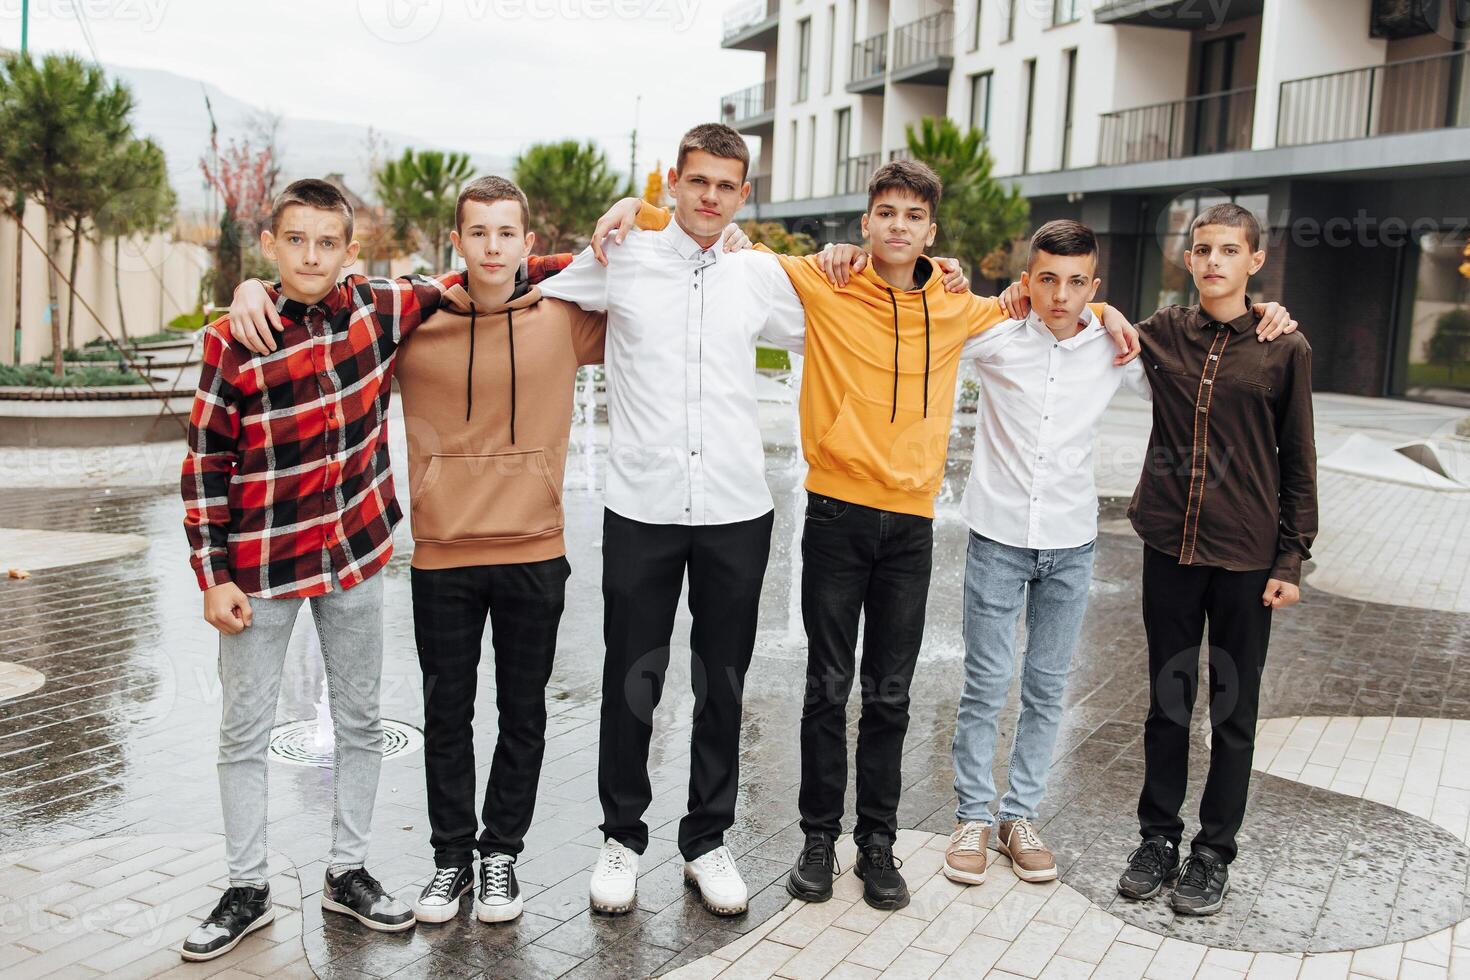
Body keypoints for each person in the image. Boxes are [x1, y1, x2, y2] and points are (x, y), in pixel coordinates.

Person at [600, 160, 1134, 912]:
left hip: (911, 527)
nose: (897, 227)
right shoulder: (827, 282)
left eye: (912, 217)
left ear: (930, 232)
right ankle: (818, 840)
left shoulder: (959, 306)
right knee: (827, 687)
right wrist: (641, 209)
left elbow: (1047, 306)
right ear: (866, 223)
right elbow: (722, 241)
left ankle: (875, 844)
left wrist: (1107, 314)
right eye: (885, 213)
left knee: (891, 693)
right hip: (837, 517)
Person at [222, 179, 749, 926]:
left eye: (508, 233)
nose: (494, 247)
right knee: (447, 715)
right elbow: (323, 297)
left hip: (536, 548)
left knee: (523, 713)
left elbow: (652, 289)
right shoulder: (411, 321)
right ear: (458, 243)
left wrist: (671, 221)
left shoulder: (565, 315)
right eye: (479, 233)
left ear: (528, 245)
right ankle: (449, 862)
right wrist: (251, 287)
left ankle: (500, 856)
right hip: (442, 554)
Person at [941, 220, 1296, 889]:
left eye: (1077, 283)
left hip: (1071, 545)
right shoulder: (991, 340)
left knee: (1047, 690)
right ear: (1027, 281)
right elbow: (923, 331)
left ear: (1094, 288)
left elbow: (1196, 383)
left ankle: (1020, 817)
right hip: (996, 537)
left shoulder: (1118, 350)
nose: (1060, 295)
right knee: (986, 687)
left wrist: (1261, 316)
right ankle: (971, 818)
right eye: (1046, 279)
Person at [179, 178, 458, 961]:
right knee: (244, 729)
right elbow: (204, 464)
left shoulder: (378, 308)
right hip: (259, 569)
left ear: (350, 249)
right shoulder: (233, 338)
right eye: (296, 240)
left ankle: (350, 871)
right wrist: (213, 576)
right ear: (271, 245)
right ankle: (246, 887)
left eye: (327, 242)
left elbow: (484, 272)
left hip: (355, 556)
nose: (311, 255)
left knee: (362, 721)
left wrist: (627, 226)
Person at [1116, 202, 1317, 917]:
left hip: (1244, 557)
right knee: (1169, 702)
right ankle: (1158, 840)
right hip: (1170, 545)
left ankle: (1212, 853)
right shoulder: (1163, 332)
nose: (1212, 262)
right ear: (1187, 257)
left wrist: (1290, 561)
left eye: (1228, 250)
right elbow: (1090, 323)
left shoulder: (1282, 347)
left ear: (1254, 262)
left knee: (1232, 711)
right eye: (1202, 249)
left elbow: (1299, 459)